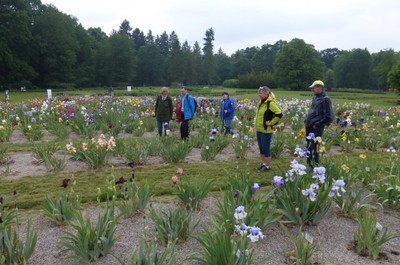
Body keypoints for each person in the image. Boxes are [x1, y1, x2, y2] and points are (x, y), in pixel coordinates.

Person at [305, 80, 333, 168]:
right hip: (309, 127)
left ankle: (315, 167)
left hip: (316, 128)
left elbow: (328, 117)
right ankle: (310, 166)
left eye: (314, 88)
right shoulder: (316, 98)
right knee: (309, 147)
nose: (312, 90)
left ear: (320, 88)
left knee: (314, 148)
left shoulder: (325, 99)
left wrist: (317, 124)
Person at [255, 86, 283, 172]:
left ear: (266, 93)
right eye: (259, 93)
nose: (259, 95)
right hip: (259, 129)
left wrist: (271, 123)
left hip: (266, 130)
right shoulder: (260, 102)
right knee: (261, 149)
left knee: (266, 149)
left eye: (261, 93)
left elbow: (279, 114)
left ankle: (267, 166)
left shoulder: (270, 103)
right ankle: (263, 164)